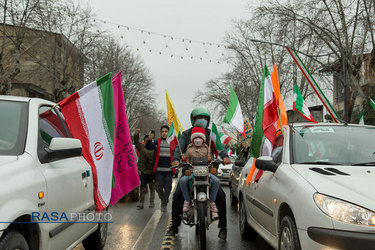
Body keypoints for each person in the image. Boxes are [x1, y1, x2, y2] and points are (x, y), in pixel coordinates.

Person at [167, 107, 231, 240]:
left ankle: (223, 228)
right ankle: (174, 226)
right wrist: (176, 159)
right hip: (190, 171)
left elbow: (219, 147)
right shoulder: (185, 134)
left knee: (221, 196)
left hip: (207, 170)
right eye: (199, 118)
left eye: (205, 118)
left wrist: (224, 156)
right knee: (177, 195)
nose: (203, 121)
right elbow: (180, 149)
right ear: (193, 120)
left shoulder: (211, 133)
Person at [180, 127, 219, 213]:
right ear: (192, 139)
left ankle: (212, 201)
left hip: (206, 173)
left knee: (216, 181)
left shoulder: (207, 149)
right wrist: (183, 159)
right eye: (196, 138)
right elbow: (186, 161)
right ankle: (187, 201)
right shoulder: (189, 149)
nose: (198, 139)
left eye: (200, 138)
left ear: (203, 139)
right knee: (182, 181)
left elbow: (211, 162)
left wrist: (210, 160)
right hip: (193, 173)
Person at [146, 125, 175, 212]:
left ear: (168, 132)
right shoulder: (156, 142)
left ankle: (164, 203)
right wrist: (149, 139)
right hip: (159, 170)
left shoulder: (172, 142)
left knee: (168, 187)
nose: (164, 133)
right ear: (160, 133)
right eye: (162, 131)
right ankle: (163, 199)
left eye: (166, 131)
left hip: (169, 170)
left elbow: (177, 152)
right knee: (158, 187)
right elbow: (148, 147)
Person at [134, 130, 156, 209]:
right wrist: (137, 134)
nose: (147, 142)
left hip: (152, 172)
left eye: (148, 140)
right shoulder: (141, 147)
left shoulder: (154, 149)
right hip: (144, 171)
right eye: (145, 140)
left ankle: (152, 202)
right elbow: (136, 142)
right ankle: (141, 203)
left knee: (152, 188)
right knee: (142, 188)